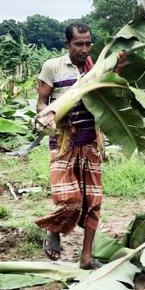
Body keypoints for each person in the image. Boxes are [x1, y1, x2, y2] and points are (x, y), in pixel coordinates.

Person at [33, 23, 103, 269]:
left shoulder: (97, 68)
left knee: (93, 201)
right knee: (69, 198)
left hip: (90, 142)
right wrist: (47, 114)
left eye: (88, 43)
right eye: (78, 44)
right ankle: (53, 228)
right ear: (67, 45)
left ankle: (86, 258)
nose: (84, 49)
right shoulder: (53, 67)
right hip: (63, 141)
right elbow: (41, 102)